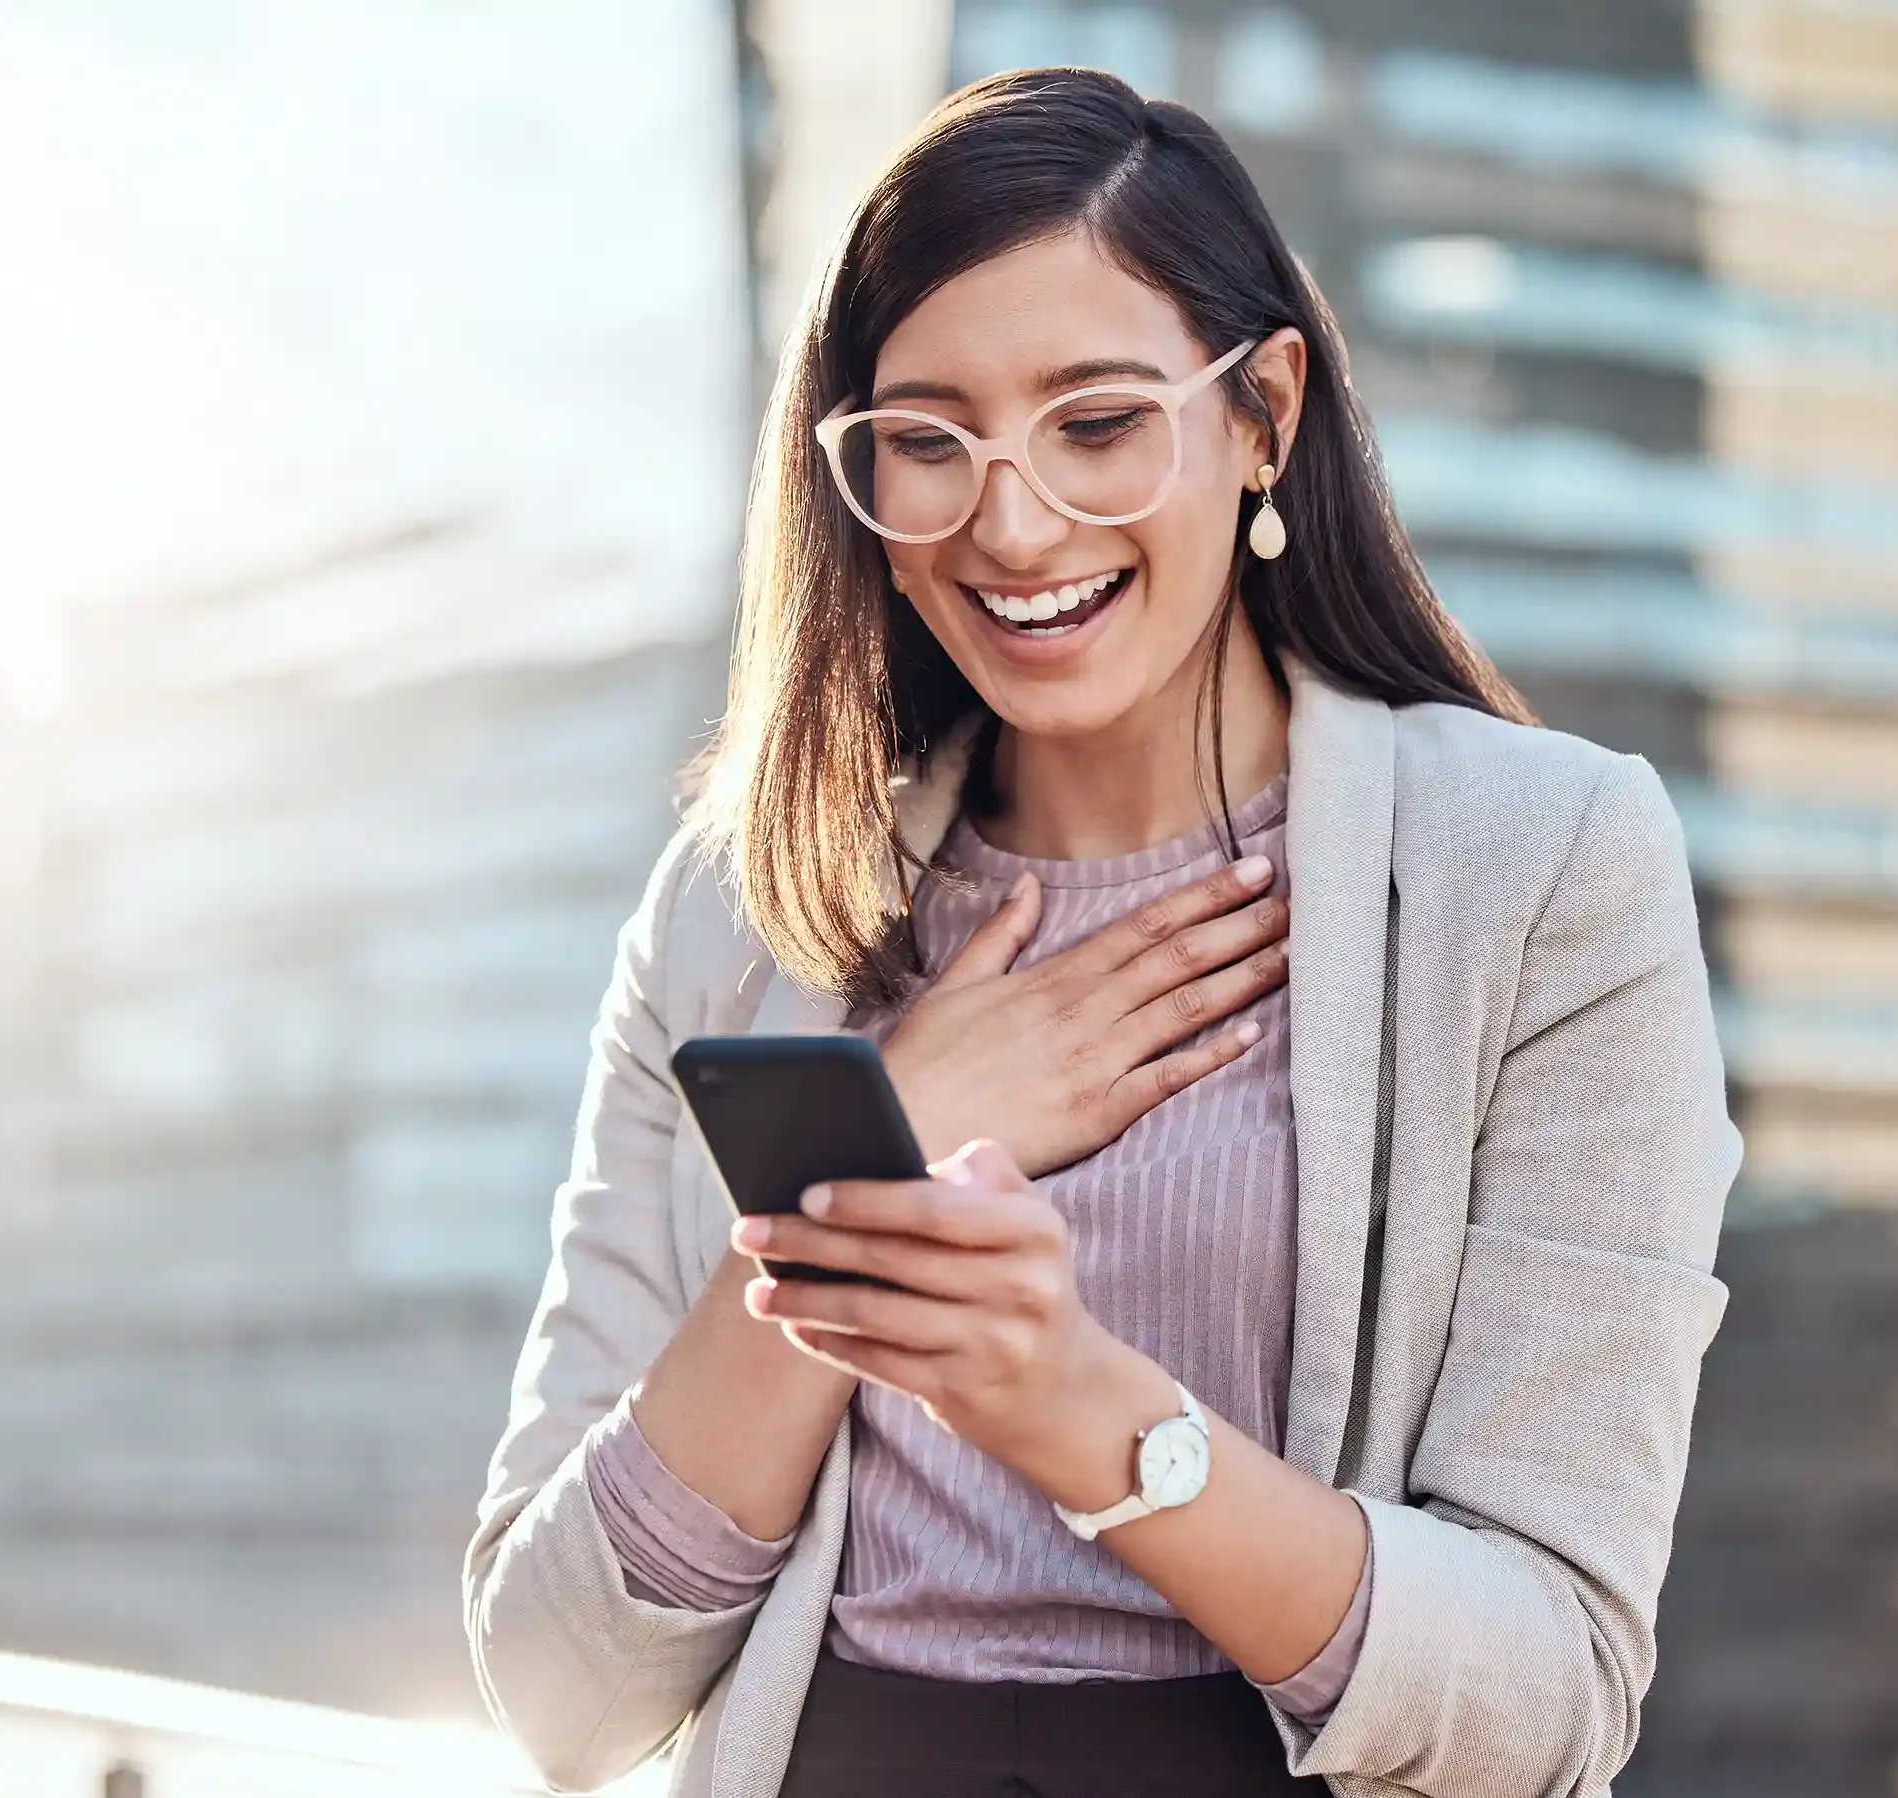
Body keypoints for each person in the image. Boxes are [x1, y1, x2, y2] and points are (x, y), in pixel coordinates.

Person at [464, 67, 1736, 1798]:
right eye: (927, 440)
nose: (1011, 521)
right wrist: (871, 1164)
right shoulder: (741, 900)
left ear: (1262, 414)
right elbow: (554, 1688)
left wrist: (1071, 1403)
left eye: (1097, 421)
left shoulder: (1542, 869)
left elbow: (1547, 1702)